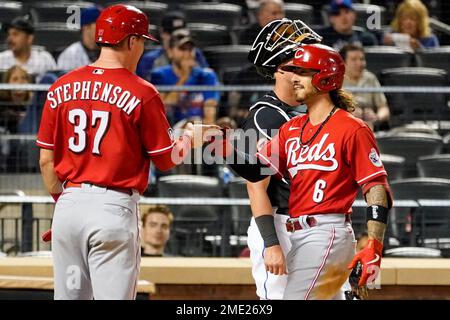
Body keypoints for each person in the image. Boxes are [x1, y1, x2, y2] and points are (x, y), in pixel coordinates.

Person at [36, 4, 219, 300]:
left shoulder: (60, 86)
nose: (143, 48)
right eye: (143, 41)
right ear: (132, 41)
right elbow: (166, 159)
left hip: (68, 207)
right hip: (113, 209)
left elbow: (46, 162)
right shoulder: (142, 91)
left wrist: (67, 201)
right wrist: (189, 138)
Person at [213, 44, 393, 299]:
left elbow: (375, 187)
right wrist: (223, 148)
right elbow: (257, 171)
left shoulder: (352, 129)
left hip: (327, 232)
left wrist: (374, 244)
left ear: (326, 77)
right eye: (293, 71)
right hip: (299, 236)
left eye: (302, 72)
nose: (294, 79)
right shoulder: (292, 129)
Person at [239, 18, 322, 300]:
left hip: (308, 226)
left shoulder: (302, 113)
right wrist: (271, 244)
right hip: (279, 225)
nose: (308, 74)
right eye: (299, 68)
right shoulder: (265, 116)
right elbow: (255, 185)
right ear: (280, 70)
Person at [150, 29, 220, 125]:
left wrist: (206, 132)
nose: (187, 53)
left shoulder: (206, 75)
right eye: (182, 49)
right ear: (170, 52)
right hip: (171, 129)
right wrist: (184, 77)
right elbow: (163, 110)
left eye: (190, 49)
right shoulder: (159, 75)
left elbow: (210, 110)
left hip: (199, 127)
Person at [136, 11, 209, 80]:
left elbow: (206, 81)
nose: (176, 37)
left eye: (181, 34)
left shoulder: (195, 54)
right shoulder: (150, 59)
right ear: (162, 33)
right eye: (171, 33)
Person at [340, 44, 390, 131]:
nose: (359, 63)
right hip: (344, 125)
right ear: (344, 63)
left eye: (362, 59)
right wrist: (348, 113)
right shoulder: (337, 80)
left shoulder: (371, 78)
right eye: (354, 59)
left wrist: (376, 117)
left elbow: (384, 108)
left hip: (368, 124)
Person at [57, 5, 102, 72]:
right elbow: (63, 81)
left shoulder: (110, 52)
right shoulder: (70, 54)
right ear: (86, 27)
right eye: (100, 24)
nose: (103, 28)